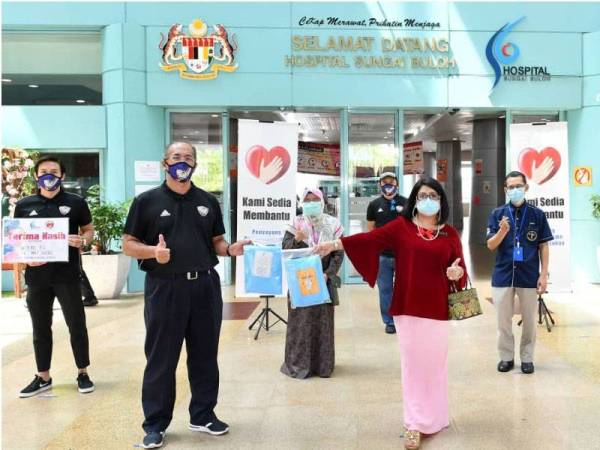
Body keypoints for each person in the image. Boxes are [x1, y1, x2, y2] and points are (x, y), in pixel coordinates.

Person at [314, 177, 467, 450]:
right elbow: (369, 238)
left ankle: (436, 417)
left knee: (435, 366)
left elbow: (460, 271)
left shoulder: (450, 234)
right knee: (412, 366)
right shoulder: (402, 228)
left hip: (438, 310)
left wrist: (456, 273)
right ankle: (414, 424)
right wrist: (334, 244)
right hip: (407, 308)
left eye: (433, 195)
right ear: (414, 201)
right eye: (422, 195)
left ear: (441, 201)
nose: (428, 200)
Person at [123, 142, 251, 449]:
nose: (183, 162)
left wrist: (230, 250)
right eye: (176, 157)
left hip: (205, 286)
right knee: (161, 358)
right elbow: (128, 243)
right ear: (164, 162)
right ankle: (155, 424)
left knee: (205, 354)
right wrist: (153, 252)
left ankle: (203, 414)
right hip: (165, 287)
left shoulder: (207, 200)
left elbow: (217, 241)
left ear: (195, 164)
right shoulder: (147, 201)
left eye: (188, 158)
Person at [14, 156, 96, 398]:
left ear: (62, 176)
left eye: (54, 172)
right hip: (37, 277)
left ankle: (83, 372)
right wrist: (25, 258)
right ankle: (43, 376)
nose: (49, 175)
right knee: (40, 328)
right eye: (44, 171)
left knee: (76, 325)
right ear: (37, 176)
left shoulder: (76, 202)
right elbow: (16, 239)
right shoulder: (24, 205)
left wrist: (83, 241)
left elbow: (89, 230)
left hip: (68, 275)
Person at [486, 171, 553, 375]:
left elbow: (543, 246)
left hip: (529, 275)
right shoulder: (497, 214)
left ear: (526, 187)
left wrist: (543, 275)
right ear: (506, 190)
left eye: (518, 186)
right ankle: (506, 357)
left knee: (530, 322)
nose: (515, 190)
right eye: (511, 187)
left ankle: (527, 358)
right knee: (503, 321)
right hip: (503, 275)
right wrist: (502, 231)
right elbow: (490, 245)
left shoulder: (537, 214)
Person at [280, 188, 344, 379]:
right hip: (300, 278)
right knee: (300, 322)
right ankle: (298, 364)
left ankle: (322, 366)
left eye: (314, 199)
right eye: (307, 200)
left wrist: (327, 274)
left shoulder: (333, 223)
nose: (310, 203)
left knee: (322, 322)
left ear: (322, 201)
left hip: (323, 278)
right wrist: (297, 239)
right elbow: (285, 248)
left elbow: (339, 253)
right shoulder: (296, 223)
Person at [366, 172, 408, 334]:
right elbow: (371, 229)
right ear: (380, 184)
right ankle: (390, 321)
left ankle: (404, 318)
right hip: (382, 256)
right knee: (385, 289)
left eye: (392, 181)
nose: (388, 184)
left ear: (397, 184)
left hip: (403, 255)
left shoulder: (406, 203)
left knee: (404, 288)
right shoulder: (374, 204)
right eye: (385, 182)